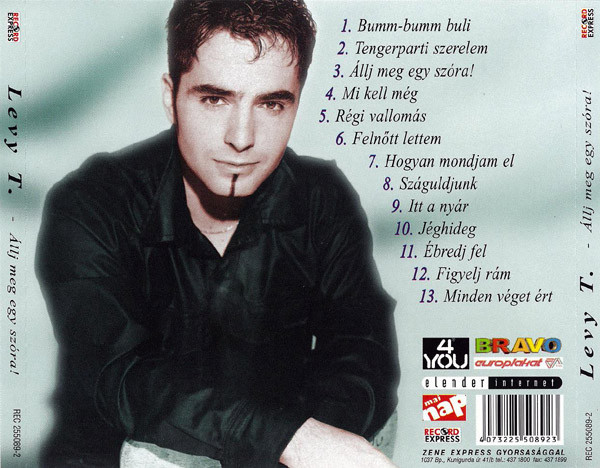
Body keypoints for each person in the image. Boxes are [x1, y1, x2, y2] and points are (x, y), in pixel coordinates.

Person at [36, 0, 400, 466]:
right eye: (214, 99)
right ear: (171, 97)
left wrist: (310, 439)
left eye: (271, 104)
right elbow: (120, 376)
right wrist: (287, 439)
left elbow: (363, 350)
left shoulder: (321, 199)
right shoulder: (93, 203)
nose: (241, 137)